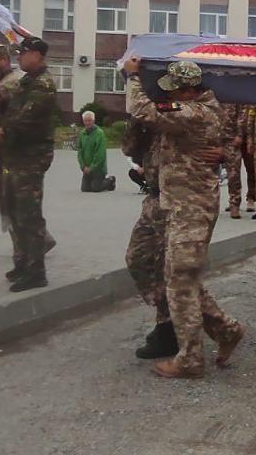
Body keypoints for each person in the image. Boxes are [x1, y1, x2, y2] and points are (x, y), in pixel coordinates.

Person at [122, 56, 245, 379]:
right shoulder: (189, 109)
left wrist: (132, 78)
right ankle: (224, 329)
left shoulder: (196, 112)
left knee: (180, 277)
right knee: (175, 274)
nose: (170, 97)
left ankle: (190, 357)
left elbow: (144, 110)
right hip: (170, 202)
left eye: (175, 92)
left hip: (191, 207)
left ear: (190, 91)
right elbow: (138, 135)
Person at [0, 36, 59, 291]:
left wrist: (2, 132)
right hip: (17, 155)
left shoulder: (43, 85)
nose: (20, 56)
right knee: (15, 211)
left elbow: (25, 120)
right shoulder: (27, 82)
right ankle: (22, 262)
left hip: (32, 156)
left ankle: (36, 271)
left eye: (24, 53)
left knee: (29, 214)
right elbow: (12, 110)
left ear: (38, 55)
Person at [122, 115, 177, 359]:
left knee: (170, 266)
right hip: (153, 198)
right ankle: (170, 319)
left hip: (177, 200)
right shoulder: (146, 117)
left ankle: (170, 327)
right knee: (138, 257)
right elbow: (130, 150)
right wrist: (136, 121)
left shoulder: (177, 109)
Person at [218, 102, 246, 219]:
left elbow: (242, 114)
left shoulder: (233, 93)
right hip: (213, 139)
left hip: (231, 139)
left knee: (233, 174)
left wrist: (240, 135)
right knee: (207, 174)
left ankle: (234, 204)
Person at [76, 110, 111, 192]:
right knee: (85, 189)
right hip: (86, 168)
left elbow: (100, 154)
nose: (87, 123)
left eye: (89, 120)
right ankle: (93, 180)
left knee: (96, 188)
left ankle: (109, 181)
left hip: (98, 169)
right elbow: (79, 152)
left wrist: (92, 167)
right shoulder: (82, 134)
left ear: (93, 121)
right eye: (85, 121)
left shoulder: (100, 134)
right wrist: (83, 166)